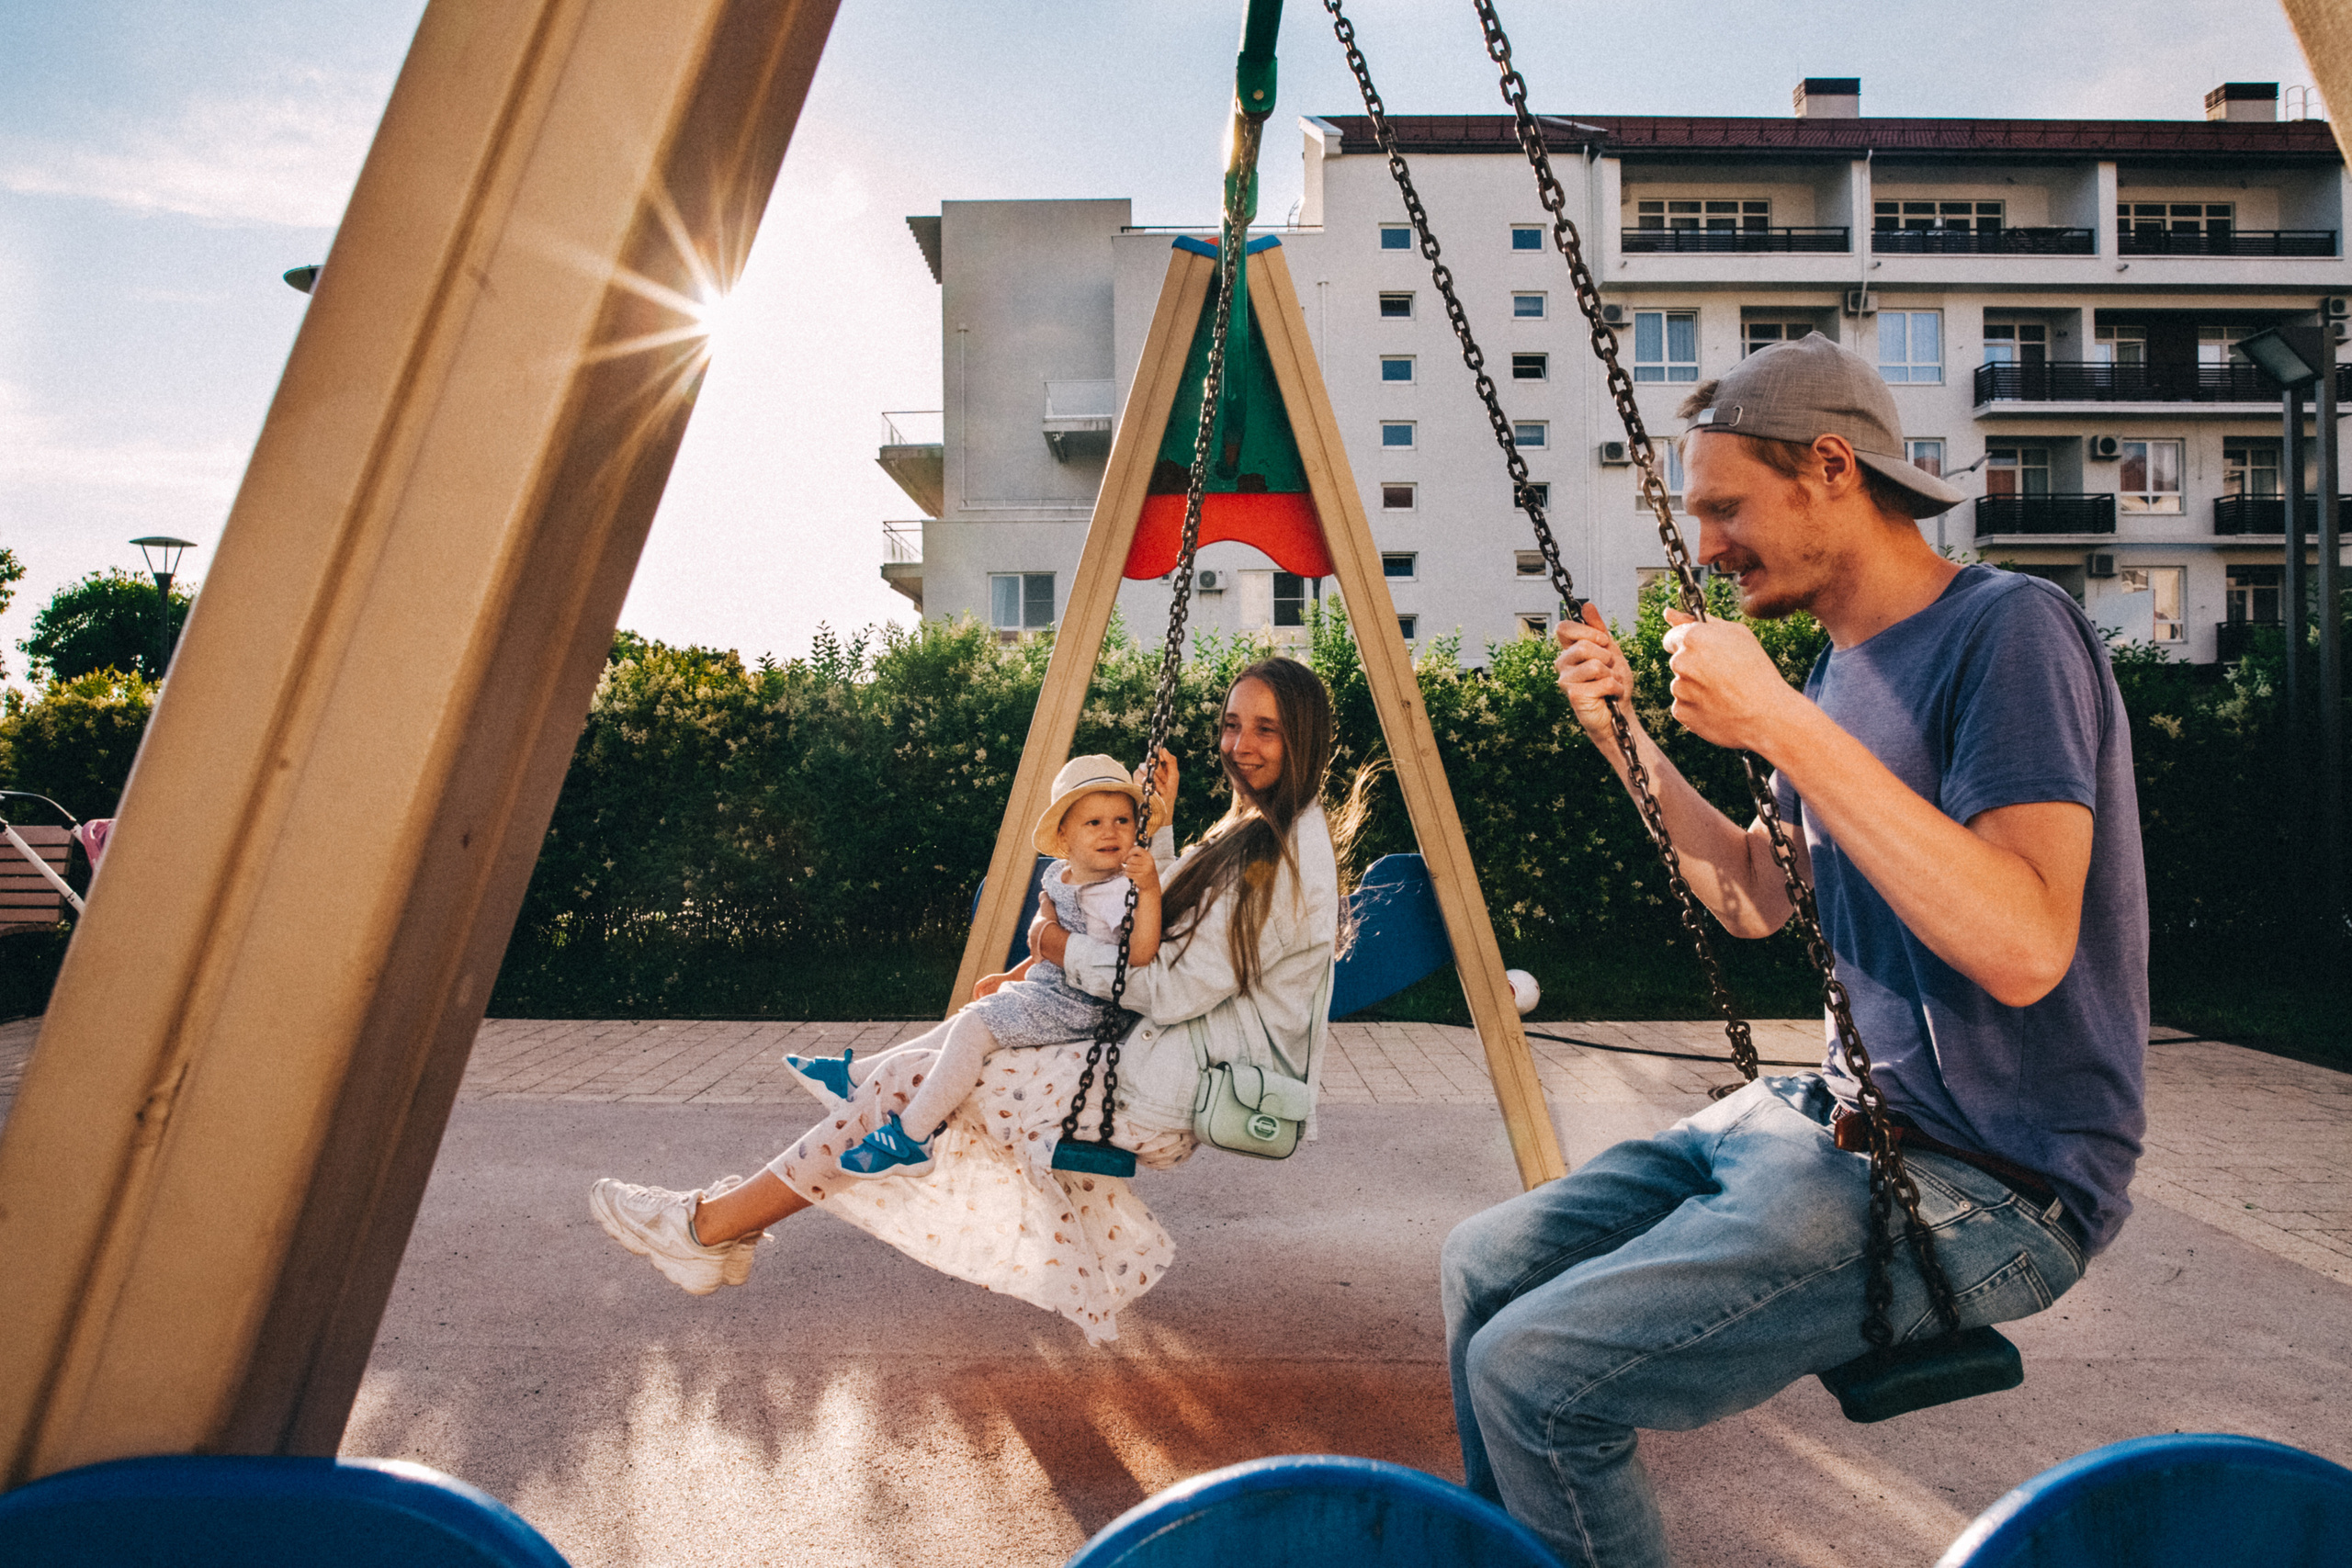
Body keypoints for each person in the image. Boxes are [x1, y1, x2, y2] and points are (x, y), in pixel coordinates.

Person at [1445, 333, 2147, 1567]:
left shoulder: (2011, 632)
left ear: (1831, 467)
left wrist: (1775, 719)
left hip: (1989, 1181)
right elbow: (1756, 896)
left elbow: (2028, 941)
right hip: (1828, 1112)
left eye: (1725, 506)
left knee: (1537, 1372)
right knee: (1484, 1265)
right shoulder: (1831, 672)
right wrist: (1625, 736)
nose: (1706, 543)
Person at [588, 657, 1346, 1342]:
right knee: (940, 1052)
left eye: (1266, 730)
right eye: (1232, 723)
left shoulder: (1286, 857)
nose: (1240, 743)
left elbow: (1166, 982)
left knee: (909, 1087)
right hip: (1151, 1057)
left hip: (1161, 1081)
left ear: (1303, 739)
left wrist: (1051, 947)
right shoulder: (1262, 830)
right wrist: (1166, 827)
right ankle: (719, 1226)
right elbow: (1170, 922)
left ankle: (709, 1226)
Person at [793, 751, 1171, 1181]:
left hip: (1086, 1006)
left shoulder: (1121, 890)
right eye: (1094, 822)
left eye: (1122, 821)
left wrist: (1151, 891)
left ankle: (914, 1137)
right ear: (1064, 836)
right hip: (1050, 990)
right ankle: (855, 1076)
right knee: (963, 1022)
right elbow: (1053, 950)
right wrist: (1012, 977)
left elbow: (1140, 955)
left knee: (973, 1032)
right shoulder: (1060, 877)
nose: (1111, 832)